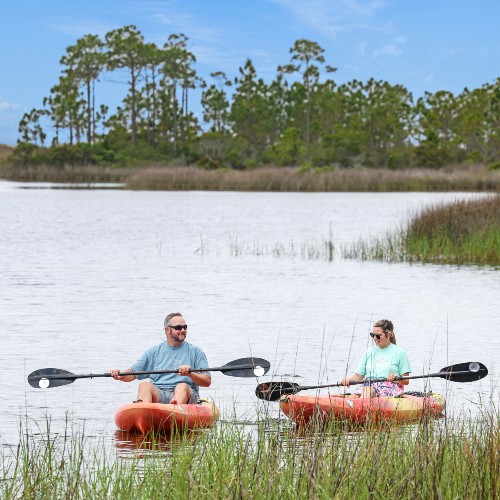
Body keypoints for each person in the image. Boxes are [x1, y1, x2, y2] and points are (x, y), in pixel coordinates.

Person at [110, 312, 211, 404]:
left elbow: (207, 381)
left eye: (185, 327)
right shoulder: (154, 352)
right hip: (160, 393)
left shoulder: (196, 352)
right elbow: (132, 373)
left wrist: (190, 374)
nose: (183, 330)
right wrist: (120, 375)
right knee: (144, 385)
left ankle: (174, 411)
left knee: (182, 386)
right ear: (167, 330)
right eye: (178, 328)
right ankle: (145, 411)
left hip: (186, 395)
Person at [341, 319, 411, 398]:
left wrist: (396, 378)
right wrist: (348, 380)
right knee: (354, 398)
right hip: (367, 387)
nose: (374, 338)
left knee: (368, 391)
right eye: (372, 335)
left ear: (388, 335)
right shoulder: (368, 352)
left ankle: (363, 407)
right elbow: (358, 376)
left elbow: (406, 381)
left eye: (378, 335)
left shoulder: (400, 353)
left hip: (389, 389)